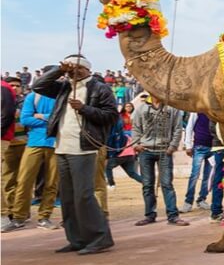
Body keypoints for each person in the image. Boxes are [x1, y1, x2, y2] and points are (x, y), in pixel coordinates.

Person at [32, 56, 118, 253]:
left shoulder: (99, 88)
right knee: (68, 197)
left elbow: (111, 116)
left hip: (83, 147)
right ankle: (77, 239)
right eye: (70, 68)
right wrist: (58, 70)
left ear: (87, 69)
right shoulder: (64, 86)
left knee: (83, 195)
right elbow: (39, 86)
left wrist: (85, 109)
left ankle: (100, 238)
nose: (73, 72)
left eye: (77, 68)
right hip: (62, 146)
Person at [3, 83, 59, 231]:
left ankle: (44, 217)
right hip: (34, 142)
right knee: (24, 180)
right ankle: (19, 217)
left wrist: (40, 116)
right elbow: (25, 119)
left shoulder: (61, 96)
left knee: (52, 182)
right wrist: (50, 119)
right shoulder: (33, 96)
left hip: (56, 143)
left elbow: (61, 119)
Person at [131, 95, 189, 227]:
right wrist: (136, 144)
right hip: (145, 150)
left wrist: (172, 147)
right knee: (147, 184)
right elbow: (135, 128)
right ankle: (149, 215)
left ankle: (173, 215)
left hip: (165, 150)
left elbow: (177, 128)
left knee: (167, 184)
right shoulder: (141, 109)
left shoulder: (172, 108)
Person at [1, 76, 27, 219]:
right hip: (9, 145)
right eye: (12, 85)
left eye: (17, 85)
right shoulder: (3, 100)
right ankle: (11, 211)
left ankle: (22, 212)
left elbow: (28, 119)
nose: (14, 88)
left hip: (25, 145)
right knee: (9, 179)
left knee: (24, 181)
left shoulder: (26, 101)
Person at [181, 112, 216, 212]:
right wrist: (188, 145)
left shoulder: (215, 112)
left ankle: (201, 199)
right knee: (194, 175)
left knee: (208, 177)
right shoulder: (197, 111)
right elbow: (189, 127)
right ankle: (188, 202)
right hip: (199, 147)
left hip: (213, 148)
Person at [105, 114, 141, 187]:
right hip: (130, 155)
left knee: (108, 168)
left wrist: (109, 155)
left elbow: (112, 143)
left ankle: (111, 184)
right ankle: (146, 183)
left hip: (119, 154)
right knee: (132, 173)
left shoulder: (114, 133)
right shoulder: (127, 133)